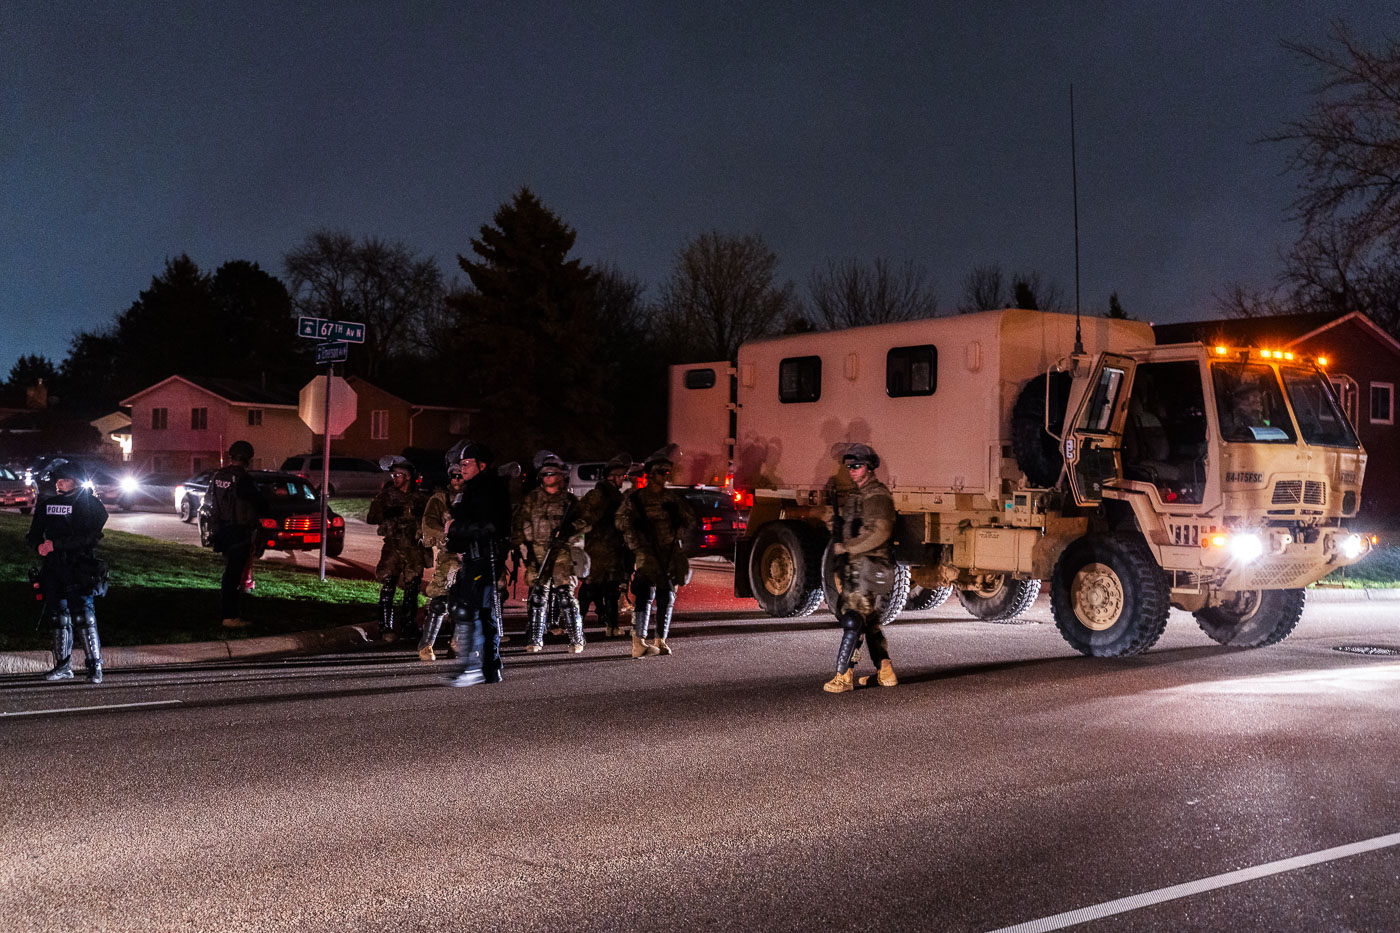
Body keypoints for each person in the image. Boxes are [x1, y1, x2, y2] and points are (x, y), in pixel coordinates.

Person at [823, 442, 898, 693]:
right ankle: (885, 672)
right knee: (870, 622)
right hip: (859, 567)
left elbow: (879, 532)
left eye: (857, 466)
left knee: (853, 621)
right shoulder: (858, 495)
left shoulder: (877, 495)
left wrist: (847, 548)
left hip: (869, 566)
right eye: (849, 467)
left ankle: (843, 676)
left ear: (869, 467)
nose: (852, 471)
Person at [28, 459, 109, 683]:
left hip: (79, 566)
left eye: (64, 479)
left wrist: (57, 545)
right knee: (57, 616)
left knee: (83, 615)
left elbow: (91, 537)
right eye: (58, 479)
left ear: (76, 481)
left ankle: (95, 667)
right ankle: (63, 666)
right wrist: (39, 546)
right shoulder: (47, 503)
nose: (59, 483)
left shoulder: (91, 505)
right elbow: (34, 533)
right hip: (54, 567)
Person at [616, 445, 696, 659]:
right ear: (650, 474)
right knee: (644, 594)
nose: (664, 477)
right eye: (660, 472)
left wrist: (679, 518)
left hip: (669, 551)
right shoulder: (636, 499)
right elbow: (621, 522)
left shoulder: (671, 499)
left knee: (667, 595)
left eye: (666, 472)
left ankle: (660, 639)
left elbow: (690, 521)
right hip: (647, 552)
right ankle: (638, 641)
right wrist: (637, 543)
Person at [443, 440, 512, 687]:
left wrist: (457, 528)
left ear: (481, 465)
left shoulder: (490, 489)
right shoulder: (471, 489)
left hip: (486, 558)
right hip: (472, 557)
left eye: (466, 463)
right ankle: (490, 667)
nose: (462, 468)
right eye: (460, 464)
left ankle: (473, 666)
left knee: (471, 612)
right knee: (481, 613)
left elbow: (492, 526)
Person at [514, 451, 590, 654]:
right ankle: (536, 639)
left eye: (552, 473)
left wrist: (570, 530)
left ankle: (576, 639)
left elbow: (585, 522)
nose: (548, 477)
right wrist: (524, 545)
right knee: (538, 597)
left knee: (565, 596)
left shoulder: (569, 501)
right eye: (545, 474)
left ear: (561, 476)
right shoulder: (532, 499)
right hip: (538, 553)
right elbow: (521, 523)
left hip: (562, 553)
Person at [366, 456, 430, 643]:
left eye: (399, 474)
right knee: (388, 584)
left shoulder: (421, 498)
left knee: (412, 588)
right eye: (393, 474)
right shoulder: (386, 495)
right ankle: (386, 626)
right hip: (393, 546)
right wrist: (386, 513)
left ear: (408, 476)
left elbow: (431, 520)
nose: (395, 478)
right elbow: (371, 517)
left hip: (414, 548)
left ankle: (409, 624)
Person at [206, 440, 265, 628]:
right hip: (239, 532)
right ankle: (230, 616)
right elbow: (261, 504)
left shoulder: (218, 476)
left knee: (229, 573)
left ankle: (228, 613)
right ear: (248, 459)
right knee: (233, 575)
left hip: (222, 530)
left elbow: (211, 500)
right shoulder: (244, 480)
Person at [416, 463, 467, 661]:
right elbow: (429, 523)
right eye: (453, 476)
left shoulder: (475, 497)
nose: (456, 480)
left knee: (466, 602)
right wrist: (448, 536)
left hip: (471, 556)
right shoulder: (440, 500)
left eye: (460, 476)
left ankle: (457, 644)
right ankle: (426, 645)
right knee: (440, 602)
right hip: (449, 556)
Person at [578, 453, 633, 638]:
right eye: (621, 476)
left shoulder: (612, 496)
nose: (623, 480)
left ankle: (607, 625)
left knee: (607, 588)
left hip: (608, 548)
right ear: (612, 477)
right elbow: (584, 519)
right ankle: (582, 624)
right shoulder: (599, 496)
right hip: (600, 549)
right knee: (595, 587)